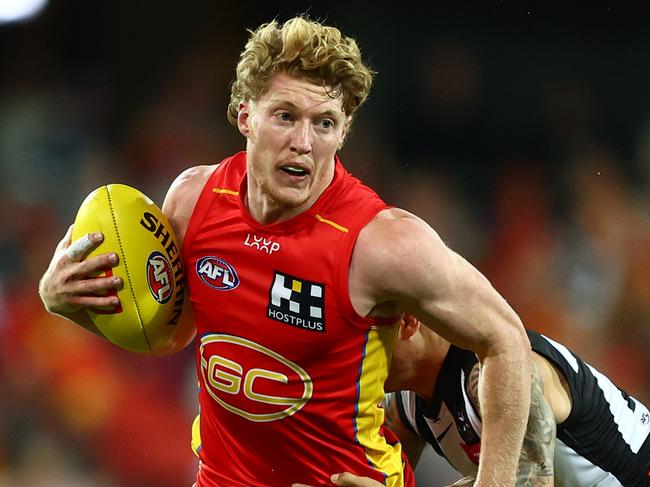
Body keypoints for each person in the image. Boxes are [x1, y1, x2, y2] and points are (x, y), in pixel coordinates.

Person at [38, 16, 532, 486]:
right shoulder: (193, 200)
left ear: (344, 133)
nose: (303, 142)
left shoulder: (383, 244)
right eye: (285, 116)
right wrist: (65, 303)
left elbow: (506, 339)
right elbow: (175, 333)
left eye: (324, 123)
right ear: (245, 116)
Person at [382, 315, 650, 486]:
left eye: (359, 336)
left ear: (407, 322)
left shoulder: (498, 371)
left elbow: (531, 482)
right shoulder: (403, 405)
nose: (349, 353)